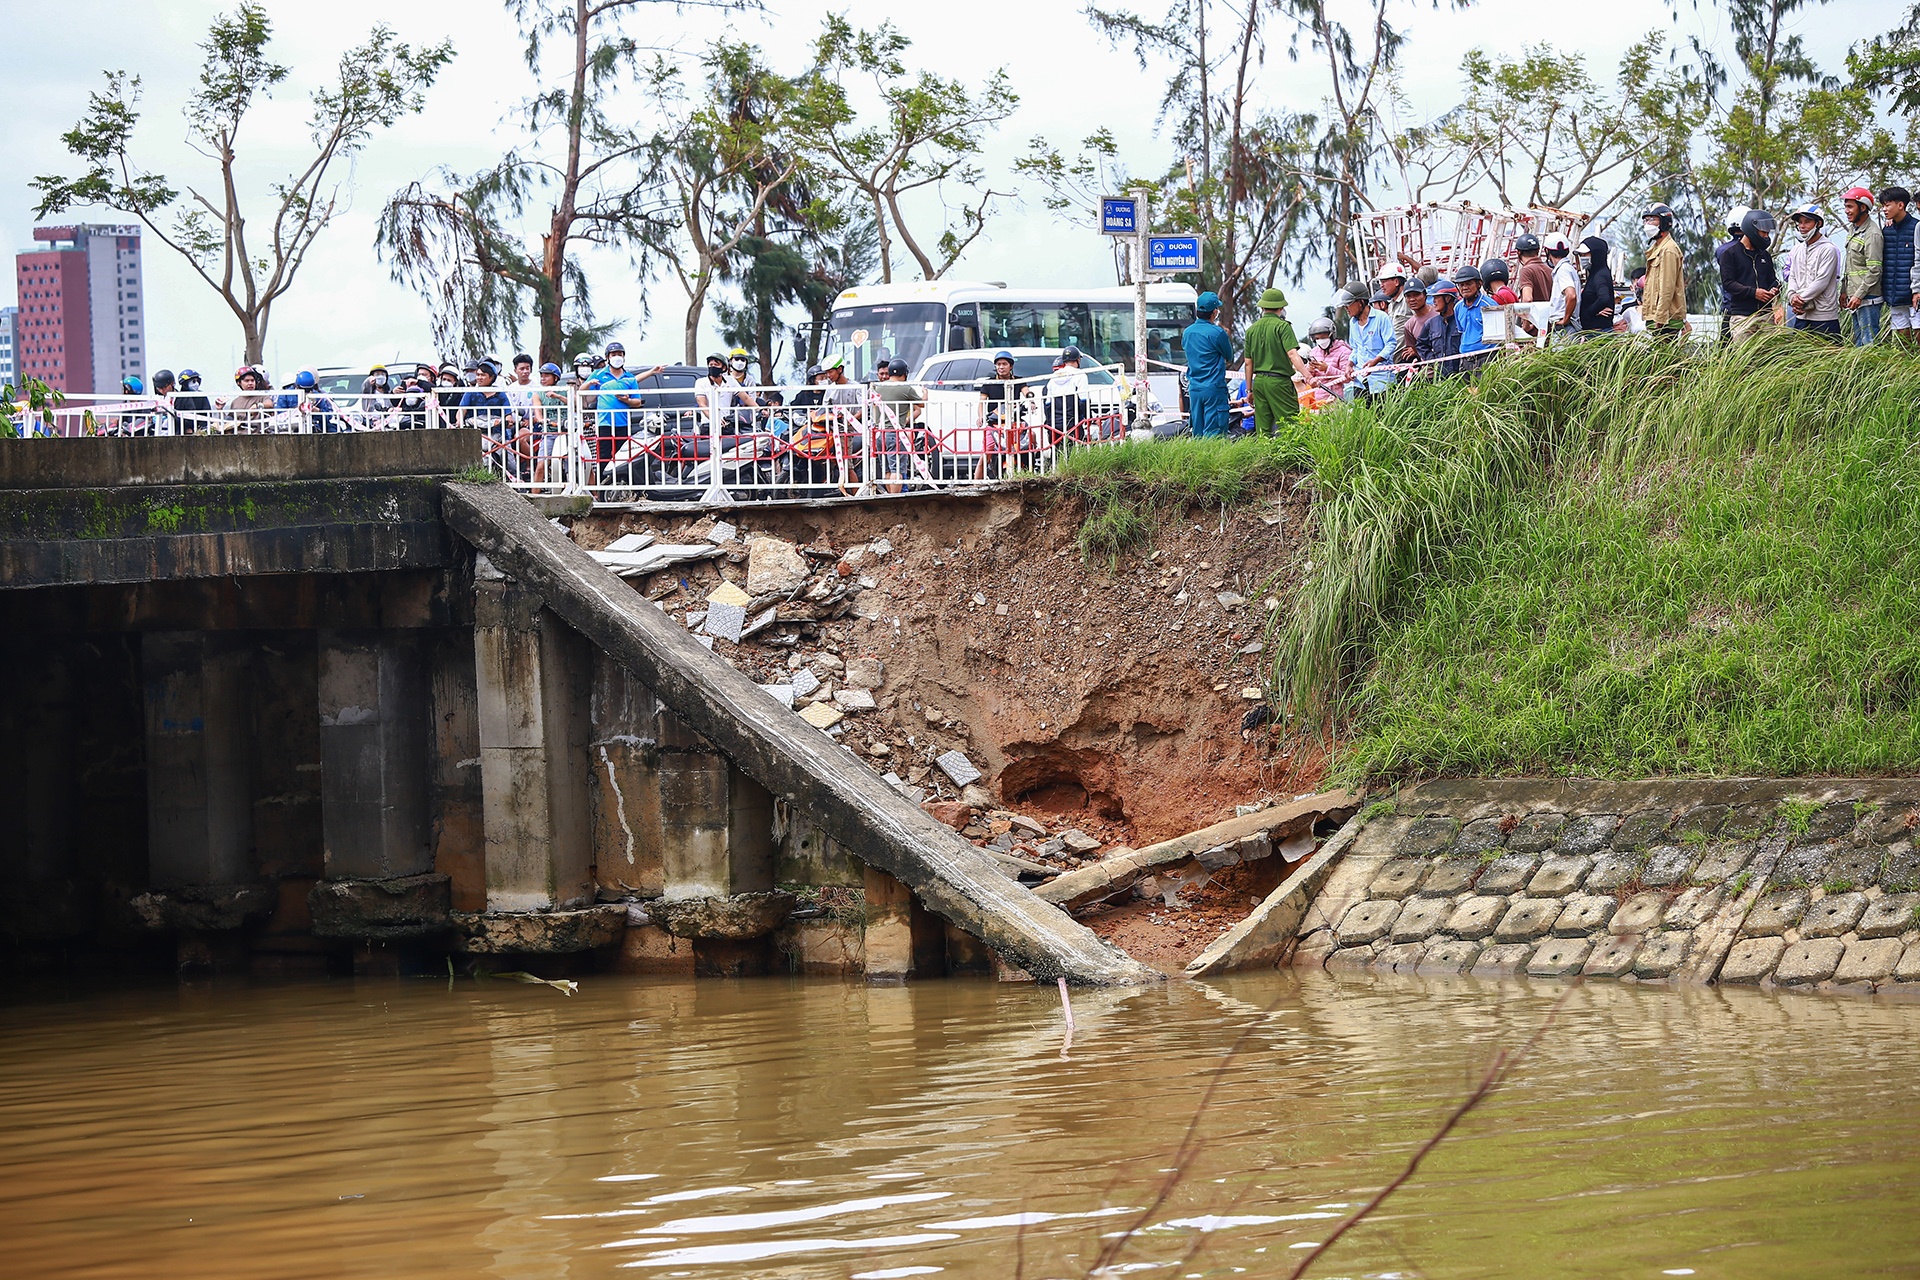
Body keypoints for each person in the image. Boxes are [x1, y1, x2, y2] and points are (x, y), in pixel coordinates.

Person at [1239, 287, 1305, 437]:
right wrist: (1307, 375)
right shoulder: (1283, 327)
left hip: (1259, 383)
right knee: (1290, 425)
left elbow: (1248, 363)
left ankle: (1265, 457)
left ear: (1262, 307)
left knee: (1263, 427)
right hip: (1279, 382)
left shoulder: (1251, 330)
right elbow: (1292, 353)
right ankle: (1289, 458)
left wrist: (1249, 390)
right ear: (1281, 308)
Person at [1722, 210, 1781, 346]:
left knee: (1769, 359)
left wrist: (1774, 289)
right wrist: (1754, 293)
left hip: (1766, 316)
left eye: (1768, 233)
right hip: (1742, 317)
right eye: (1763, 233)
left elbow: (1773, 279)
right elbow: (1728, 283)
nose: (1766, 236)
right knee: (1745, 360)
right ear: (1751, 229)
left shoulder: (1764, 255)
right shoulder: (1730, 254)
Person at [1182, 292, 1235, 436]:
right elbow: (1229, 356)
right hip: (1213, 388)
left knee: (1197, 431)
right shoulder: (1217, 333)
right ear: (1214, 312)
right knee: (1214, 432)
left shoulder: (1187, 332)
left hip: (1194, 389)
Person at [1784, 203, 1841, 338]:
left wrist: (1800, 299)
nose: (1802, 226)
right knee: (1801, 357)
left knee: (1829, 355)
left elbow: (1822, 281)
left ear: (1818, 223)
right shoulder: (1797, 250)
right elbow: (1792, 276)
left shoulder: (1828, 249)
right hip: (1802, 315)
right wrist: (1792, 296)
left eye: (1807, 222)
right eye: (1800, 222)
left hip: (1824, 315)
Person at [1839, 187, 1884, 346]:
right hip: (1854, 297)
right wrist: (1844, 291)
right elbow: (1850, 265)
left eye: (1850, 206)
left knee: (1869, 342)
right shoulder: (1853, 229)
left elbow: (1875, 270)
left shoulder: (1872, 234)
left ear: (1863, 207)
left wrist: (1858, 295)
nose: (1846, 211)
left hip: (1868, 298)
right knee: (1859, 342)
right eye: (1846, 207)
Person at [873, 358, 926, 490]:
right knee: (897, 471)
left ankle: (889, 498)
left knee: (887, 471)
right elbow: (922, 404)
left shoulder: (879, 387)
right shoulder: (905, 388)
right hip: (895, 434)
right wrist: (925, 393)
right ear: (904, 373)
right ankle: (895, 500)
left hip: (879, 434)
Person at [1639, 204, 1687, 339]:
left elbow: (1667, 287)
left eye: (1652, 219)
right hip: (1656, 317)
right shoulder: (1656, 248)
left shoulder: (1668, 250)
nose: (1647, 224)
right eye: (1646, 220)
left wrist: (1660, 317)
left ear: (1664, 222)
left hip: (1666, 320)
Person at [1878, 187, 1915, 345]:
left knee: (1918, 331)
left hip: (1914, 293)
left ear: (1900, 205)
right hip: (1894, 293)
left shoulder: (1916, 227)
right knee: (1901, 337)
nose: (1884, 209)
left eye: (1887, 205)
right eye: (1883, 205)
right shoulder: (1887, 230)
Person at [1347, 289, 1396, 397]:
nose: (1346, 308)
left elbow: (1391, 344)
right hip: (1360, 382)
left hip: (1382, 381)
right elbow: (1355, 348)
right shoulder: (1353, 323)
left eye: (1349, 304)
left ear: (1360, 302)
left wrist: (1376, 360)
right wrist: (1349, 364)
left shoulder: (1381, 318)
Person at [1714, 205, 1752, 343]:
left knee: (1725, 349)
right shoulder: (1751, 250)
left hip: (1727, 307)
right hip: (1745, 310)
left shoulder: (1722, 250)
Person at [1452, 265, 1501, 370]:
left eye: (1469, 284)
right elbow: (1462, 331)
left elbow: (1499, 334)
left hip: (1486, 357)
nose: (1465, 287)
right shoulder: (1458, 308)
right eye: (1461, 285)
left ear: (1479, 284)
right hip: (1465, 358)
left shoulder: (1489, 305)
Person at [1298, 315, 1353, 401]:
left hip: (1335, 399)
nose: (1321, 340)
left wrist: (1327, 369)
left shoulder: (1344, 351)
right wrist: (1310, 369)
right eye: (1317, 338)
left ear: (1331, 335)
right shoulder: (1313, 352)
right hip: (1316, 400)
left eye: (1323, 337)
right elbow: (1306, 379)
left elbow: (1347, 378)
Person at [1418, 279, 1464, 376]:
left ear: (1447, 298)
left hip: (1461, 376)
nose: (1433, 301)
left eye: (1436, 297)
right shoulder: (1431, 324)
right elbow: (1421, 345)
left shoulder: (1461, 321)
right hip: (1440, 379)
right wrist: (1432, 359)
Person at [1543, 234, 1581, 343]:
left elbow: (1571, 295)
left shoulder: (1562, 271)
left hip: (1564, 329)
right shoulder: (1569, 269)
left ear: (1547, 251)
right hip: (1569, 328)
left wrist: (1566, 318)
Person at [277, 368, 339, 433]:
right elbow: (279, 414)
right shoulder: (286, 395)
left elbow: (328, 415)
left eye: (308, 390)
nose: (306, 392)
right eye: (303, 389)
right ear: (297, 386)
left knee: (333, 429)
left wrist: (317, 411)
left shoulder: (317, 396)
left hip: (314, 427)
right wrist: (296, 411)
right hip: (291, 428)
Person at [1577, 236, 1616, 338]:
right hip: (1596, 332)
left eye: (1585, 254)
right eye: (1581, 255)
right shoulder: (1596, 273)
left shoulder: (1600, 275)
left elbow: (1604, 298)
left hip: (1598, 333)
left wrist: (1589, 312)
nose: (1582, 258)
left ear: (1596, 254)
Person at [1395, 278, 1431, 368]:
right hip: (1425, 373)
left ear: (1425, 295)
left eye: (1416, 295)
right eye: (1408, 296)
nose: (1412, 299)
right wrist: (1416, 352)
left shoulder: (1438, 315)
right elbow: (1412, 350)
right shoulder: (1409, 325)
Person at [226, 365, 276, 431]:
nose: (250, 383)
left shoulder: (262, 397)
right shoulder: (235, 402)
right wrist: (220, 409)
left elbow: (269, 404)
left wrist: (258, 406)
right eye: (246, 381)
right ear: (239, 383)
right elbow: (228, 422)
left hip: (258, 435)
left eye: (252, 380)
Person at [173, 369, 212, 433]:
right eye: (193, 381)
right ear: (185, 383)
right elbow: (177, 417)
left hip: (200, 430)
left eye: (198, 381)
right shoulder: (180, 398)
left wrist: (201, 430)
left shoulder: (201, 396)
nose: (196, 384)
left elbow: (207, 414)